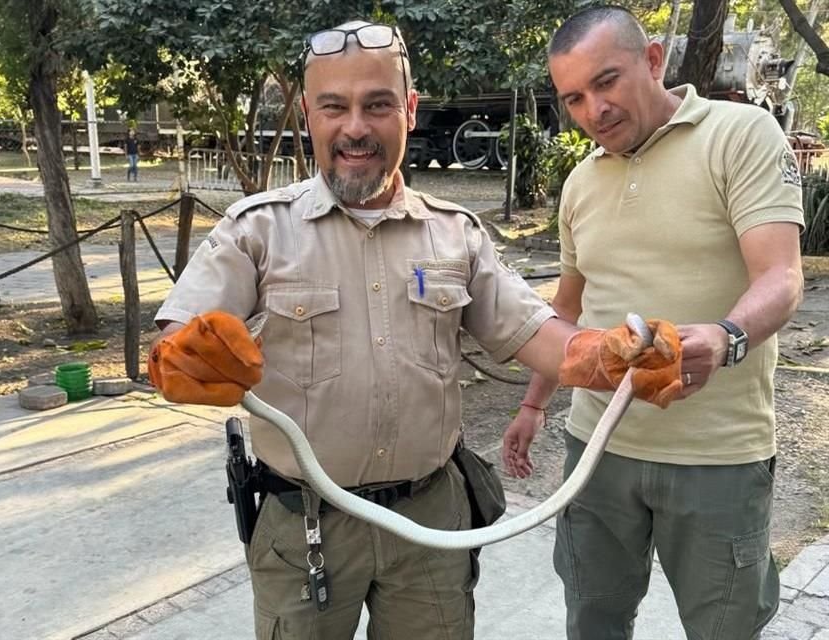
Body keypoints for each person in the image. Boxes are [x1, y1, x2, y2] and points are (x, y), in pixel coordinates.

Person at [149, 20, 682, 640]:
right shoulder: (256, 232)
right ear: (307, 115)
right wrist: (182, 361)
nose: (355, 127)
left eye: (377, 105)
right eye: (334, 107)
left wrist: (613, 357)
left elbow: (538, 333)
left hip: (432, 522)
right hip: (304, 527)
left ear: (408, 109)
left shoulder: (455, 233)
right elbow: (174, 345)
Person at [502, 7, 805, 639]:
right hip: (597, 449)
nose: (594, 110)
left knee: (724, 627)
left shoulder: (740, 134)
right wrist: (533, 407)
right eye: (574, 98)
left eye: (606, 81)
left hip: (718, 456)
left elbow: (781, 277)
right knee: (593, 616)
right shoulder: (580, 183)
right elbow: (568, 309)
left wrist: (725, 338)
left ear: (654, 60)